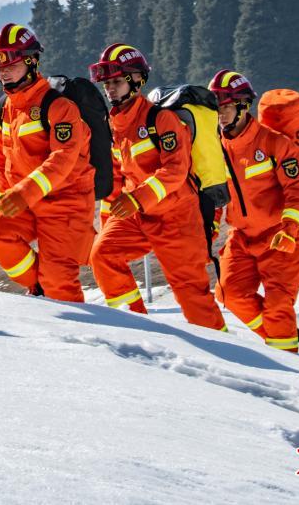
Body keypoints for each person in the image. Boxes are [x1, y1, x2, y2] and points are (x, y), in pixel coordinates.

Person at [87, 43, 226, 330]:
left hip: (177, 216)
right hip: (138, 213)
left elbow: (176, 170)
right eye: (106, 83)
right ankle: (139, 328)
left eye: (116, 81)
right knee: (102, 255)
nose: (109, 89)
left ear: (137, 80)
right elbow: (117, 175)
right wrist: (110, 217)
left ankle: (235, 363)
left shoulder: (161, 119)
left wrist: (138, 198)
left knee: (193, 298)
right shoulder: (115, 125)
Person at [0, 24, 95, 302]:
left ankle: (83, 339)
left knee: (60, 285)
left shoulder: (59, 106)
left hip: (65, 205)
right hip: (25, 200)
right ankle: (37, 284)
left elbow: (64, 157)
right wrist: (6, 197)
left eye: (10, 62)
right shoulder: (2, 109)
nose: (3, 69)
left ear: (30, 61)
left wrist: (24, 192)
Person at [209, 70, 299, 351]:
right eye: (216, 108)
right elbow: (215, 196)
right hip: (241, 238)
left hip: (281, 238)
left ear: (243, 105)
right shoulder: (214, 149)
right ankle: (278, 337)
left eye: (226, 107)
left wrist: (289, 229)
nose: (220, 114)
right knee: (229, 294)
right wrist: (208, 231)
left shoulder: (275, 143)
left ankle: (293, 368)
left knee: (279, 306)